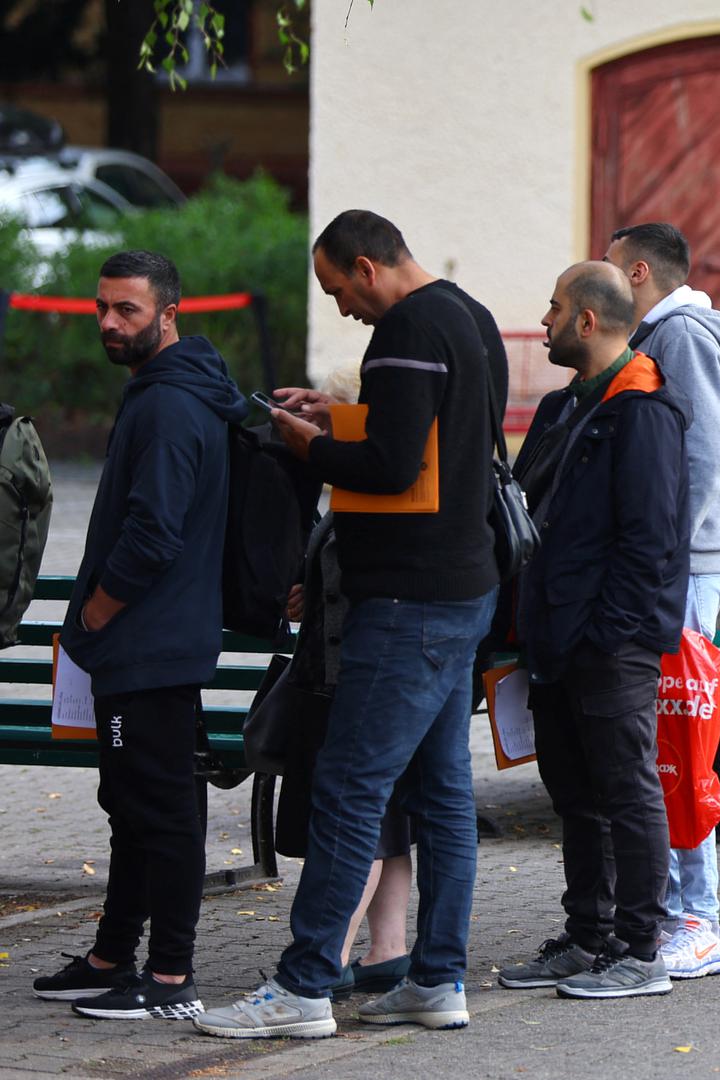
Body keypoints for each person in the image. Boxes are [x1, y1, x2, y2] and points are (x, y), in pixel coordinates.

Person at [196, 210, 506, 1038]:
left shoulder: (405, 328)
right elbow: (431, 439)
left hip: (406, 602)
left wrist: (307, 446)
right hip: (462, 587)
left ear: (367, 267)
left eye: (339, 291)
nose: (342, 311)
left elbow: (394, 466)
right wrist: (335, 418)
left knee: (348, 789)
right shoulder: (465, 315)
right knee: (442, 794)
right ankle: (438, 980)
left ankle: (301, 990)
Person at [34, 251, 247, 1022]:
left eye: (127, 310)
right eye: (102, 308)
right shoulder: (166, 390)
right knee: (133, 805)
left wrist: (97, 611)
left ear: (169, 314)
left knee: (161, 811)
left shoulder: (168, 405)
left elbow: (153, 533)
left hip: (149, 645)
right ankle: (110, 955)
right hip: (151, 643)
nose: (109, 323)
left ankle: (167, 978)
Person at [499, 261, 689, 1000]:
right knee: (574, 792)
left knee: (627, 789)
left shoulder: (643, 408)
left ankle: (641, 951)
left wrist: (606, 634)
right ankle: (588, 937)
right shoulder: (560, 409)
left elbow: (651, 542)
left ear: (587, 320)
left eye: (552, 310)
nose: (542, 322)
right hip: (553, 636)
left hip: (611, 644)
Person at [604, 223, 720, 980]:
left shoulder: (679, 334)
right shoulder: (669, 331)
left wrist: (663, 548)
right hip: (679, 563)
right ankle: (677, 910)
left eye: (610, 266)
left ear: (640, 270)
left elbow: (708, 450)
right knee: (666, 743)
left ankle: (701, 918)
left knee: (681, 743)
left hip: (683, 566)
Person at [280, 364, 414, 1003]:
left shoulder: (365, 496)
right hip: (358, 674)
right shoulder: (349, 497)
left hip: (352, 680)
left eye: (323, 420)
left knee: (355, 817)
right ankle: (388, 946)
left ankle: (329, 952)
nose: (312, 433)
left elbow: (366, 581)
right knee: (387, 821)